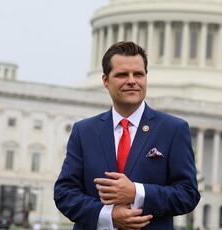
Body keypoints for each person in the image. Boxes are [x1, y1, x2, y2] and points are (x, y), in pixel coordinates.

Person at [54, 41, 200, 229]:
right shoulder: (84, 131)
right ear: (105, 81)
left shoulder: (173, 129)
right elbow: (64, 193)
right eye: (122, 75)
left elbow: (188, 194)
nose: (132, 80)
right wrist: (108, 216)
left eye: (138, 74)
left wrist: (137, 192)